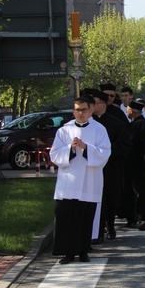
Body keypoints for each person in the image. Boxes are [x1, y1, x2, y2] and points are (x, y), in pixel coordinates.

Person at [50, 96, 111, 264]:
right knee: (65, 217)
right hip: (68, 182)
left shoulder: (99, 129)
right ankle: (66, 253)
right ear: (73, 111)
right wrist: (70, 148)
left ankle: (83, 251)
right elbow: (54, 154)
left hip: (89, 182)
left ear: (90, 110)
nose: (81, 113)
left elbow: (105, 153)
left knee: (84, 217)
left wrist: (86, 148)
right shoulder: (64, 130)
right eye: (77, 110)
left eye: (84, 110)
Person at [85, 88, 130, 242]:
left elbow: (124, 145)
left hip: (110, 169)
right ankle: (96, 230)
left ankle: (110, 226)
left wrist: (105, 155)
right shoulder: (87, 124)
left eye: (94, 103)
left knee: (110, 199)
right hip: (90, 169)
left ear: (102, 105)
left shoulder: (116, 123)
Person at [125, 99, 145, 231]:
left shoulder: (142, 125)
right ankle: (136, 217)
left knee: (143, 195)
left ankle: (143, 219)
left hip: (142, 168)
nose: (127, 111)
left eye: (128, 109)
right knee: (137, 194)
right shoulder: (137, 124)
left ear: (132, 111)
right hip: (136, 167)